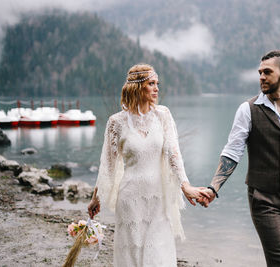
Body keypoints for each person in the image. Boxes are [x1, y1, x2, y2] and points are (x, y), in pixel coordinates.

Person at [198, 50, 280, 267]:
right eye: (260, 72)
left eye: (267, 72)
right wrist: (213, 188)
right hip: (264, 198)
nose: (261, 77)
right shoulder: (248, 110)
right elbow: (232, 151)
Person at [87, 63, 209, 267]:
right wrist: (95, 198)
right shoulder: (116, 122)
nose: (156, 88)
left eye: (157, 83)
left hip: (158, 199)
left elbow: (173, 154)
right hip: (129, 200)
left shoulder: (163, 115)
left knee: (159, 256)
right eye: (151, 83)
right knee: (132, 257)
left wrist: (185, 186)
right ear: (137, 87)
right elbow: (107, 166)